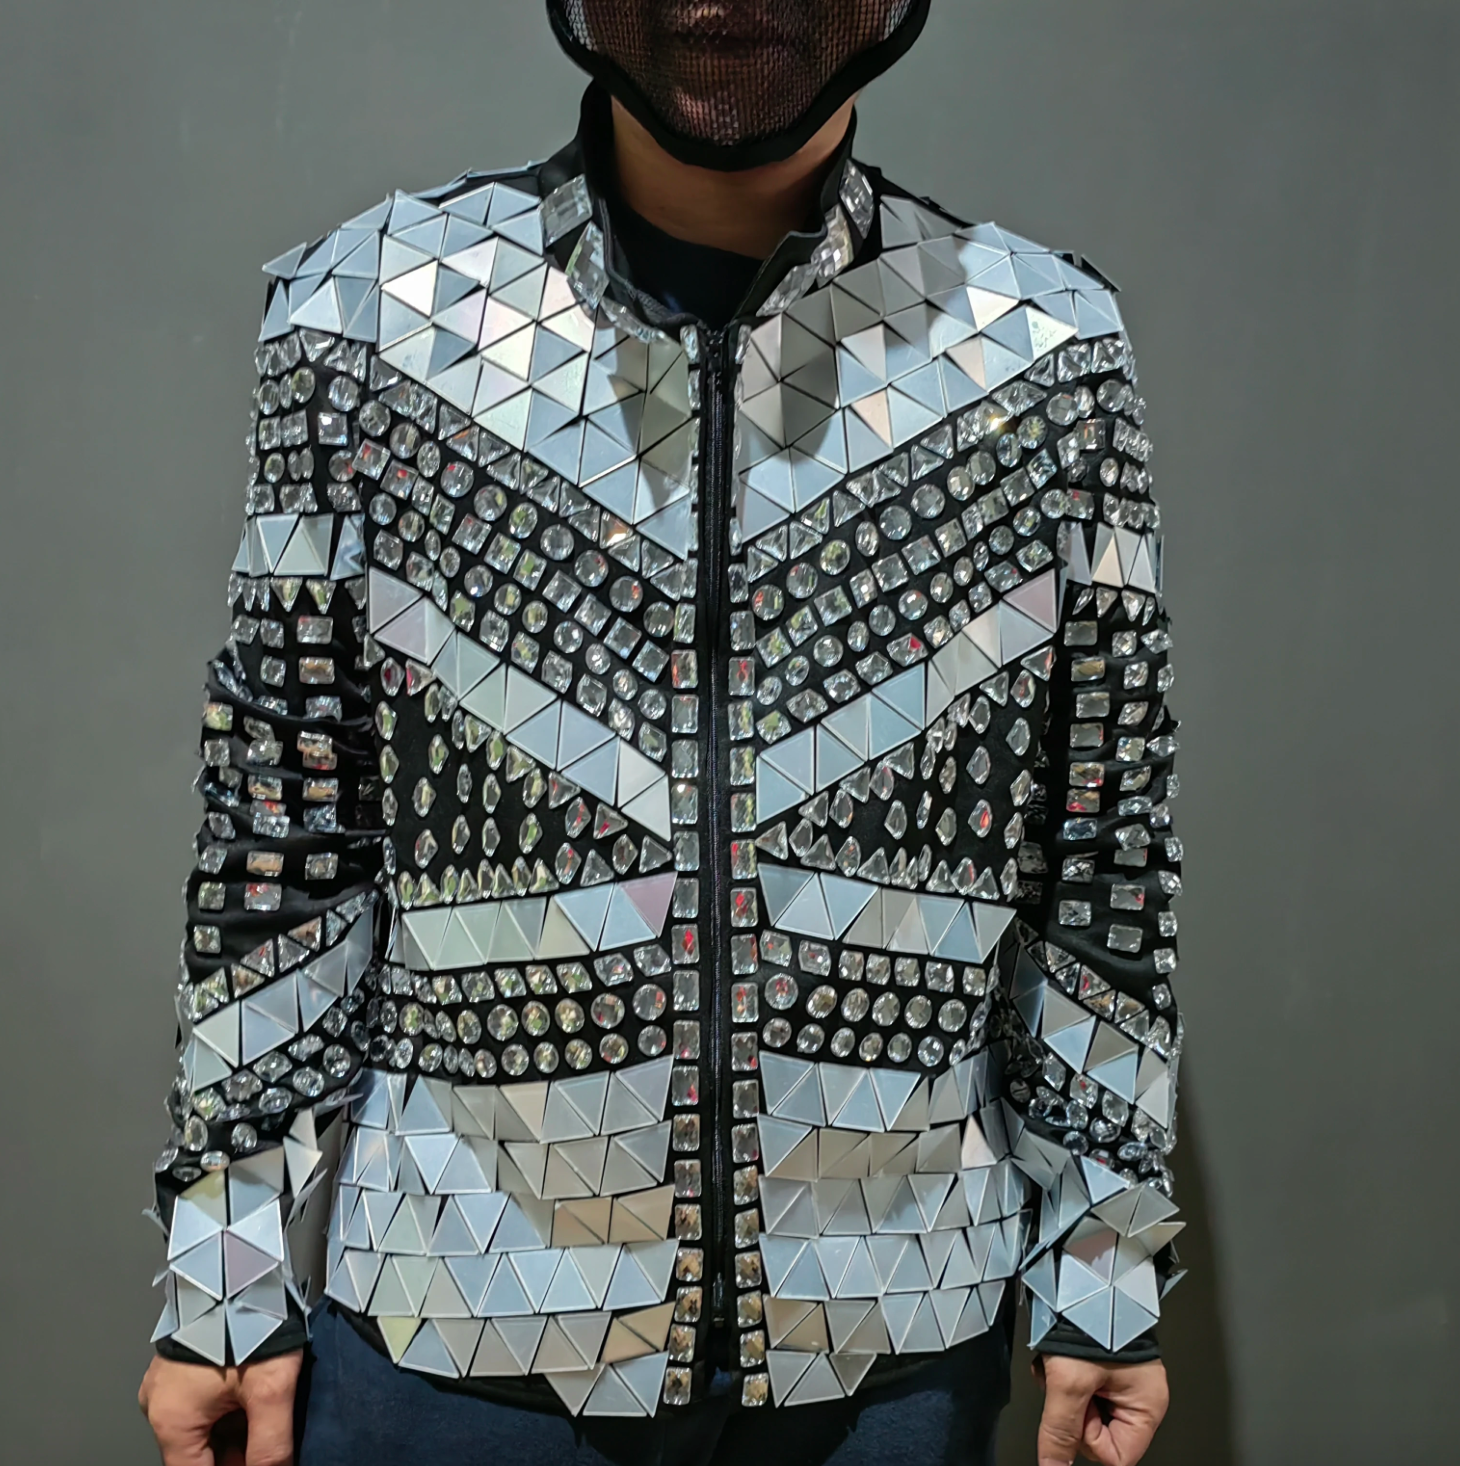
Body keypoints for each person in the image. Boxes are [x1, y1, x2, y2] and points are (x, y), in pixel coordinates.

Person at [137, 3, 1184, 1464]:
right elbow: (282, 835)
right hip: (453, 1339)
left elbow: (1103, 846)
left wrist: (1105, 1275)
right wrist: (224, 1287)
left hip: (891, 1350)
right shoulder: (371, 321)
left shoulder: (1042, 352)